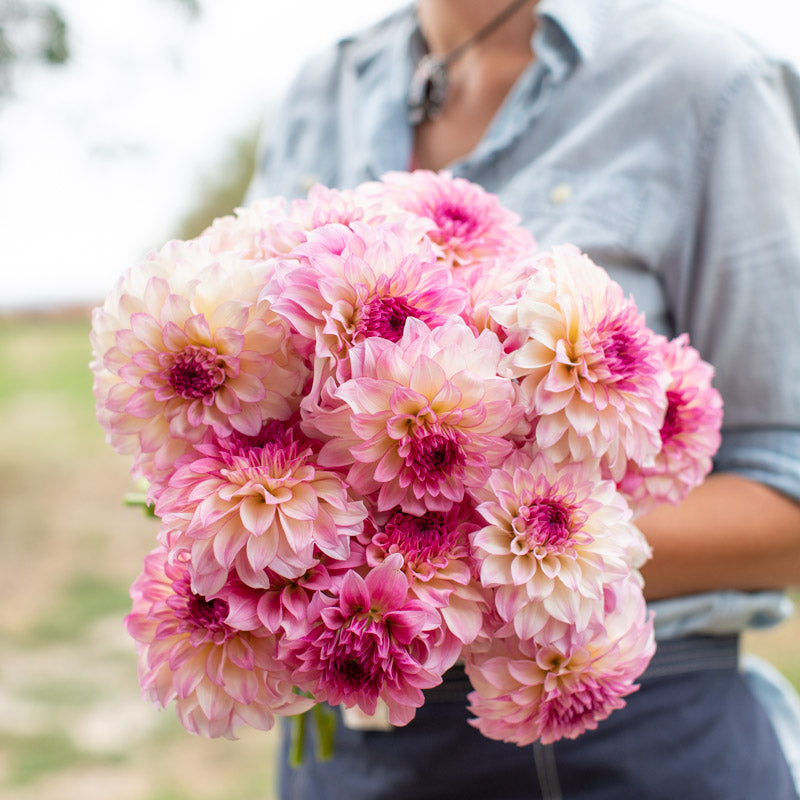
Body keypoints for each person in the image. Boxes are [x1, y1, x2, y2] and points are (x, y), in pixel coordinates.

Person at [246, 1, 800, 797]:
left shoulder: (707, 84)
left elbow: (787, 494)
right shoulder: (317, 92)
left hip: (622, 742)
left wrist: (494, 565)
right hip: (349, 736)